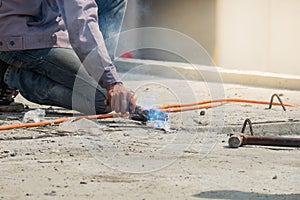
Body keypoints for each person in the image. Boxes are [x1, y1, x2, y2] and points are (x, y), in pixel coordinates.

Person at [0, 0, 135, 114]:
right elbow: (81, 19)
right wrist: (112, 83)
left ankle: (99, 73)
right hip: (16, 39)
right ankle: (12, 75)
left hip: (43, 31)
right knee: (102, 100)